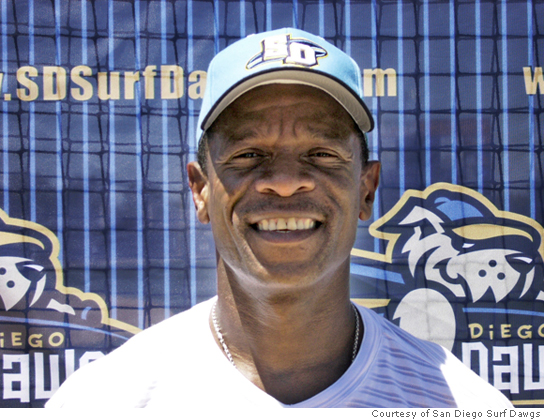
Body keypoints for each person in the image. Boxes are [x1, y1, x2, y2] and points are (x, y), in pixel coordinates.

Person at [46, 27, 512, 408]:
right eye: (249, 154)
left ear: (366, 189)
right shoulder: (105, 403)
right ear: (200, 189)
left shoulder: (461, 405)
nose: (285, 181)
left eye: (321, 153)